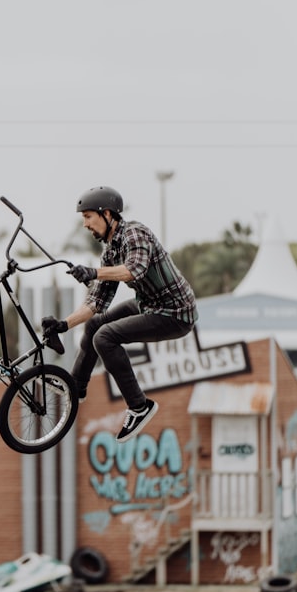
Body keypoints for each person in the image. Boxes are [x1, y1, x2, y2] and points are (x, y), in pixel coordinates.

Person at [41, 186, 197, 443]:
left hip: (176, 313)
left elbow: (133, 270)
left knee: (104, 337)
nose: (85, 225)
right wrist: (63, 325)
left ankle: (139, 406)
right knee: (94, 325)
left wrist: (93, 272)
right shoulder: (111, 251)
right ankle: (75, 386)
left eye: (88, 216)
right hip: (150, 304)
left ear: (107, 214)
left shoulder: (135, 233)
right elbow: (96, 302)